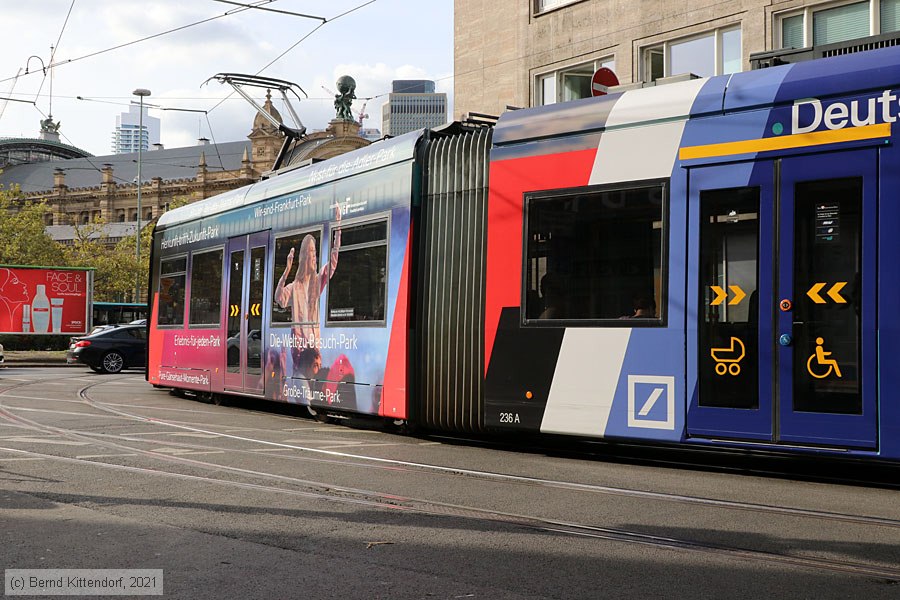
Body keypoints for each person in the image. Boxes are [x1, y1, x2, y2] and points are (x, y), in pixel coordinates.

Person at [274, 204, 343, 376]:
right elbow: (279, 299)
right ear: (304, 256)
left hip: (313, 349)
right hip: (299, 352)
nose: (314, 256)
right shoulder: (294, 287)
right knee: (301, 384)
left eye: (315, 252)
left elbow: (333, 262)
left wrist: (338, 228)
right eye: (311, 252)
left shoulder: (317, 282)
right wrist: (287, 270)